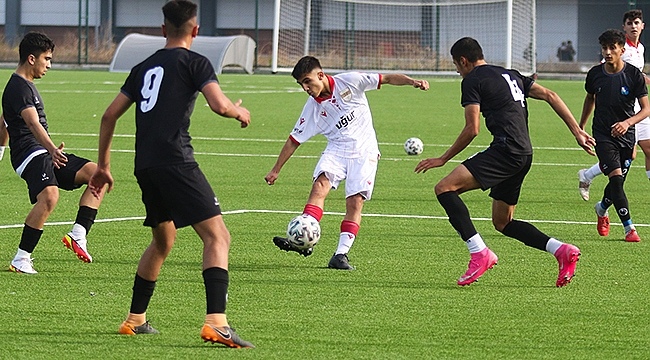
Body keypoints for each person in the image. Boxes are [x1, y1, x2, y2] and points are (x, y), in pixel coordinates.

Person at [88, 0, 254, 349]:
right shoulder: (195, 62)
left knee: (163, 241)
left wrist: (103, 166)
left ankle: (135, 320)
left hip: (145, 166)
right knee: (217, 236)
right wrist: (239, 112)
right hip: (176, 161)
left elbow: (107, 116)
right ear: (195, 30)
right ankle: (217, 323)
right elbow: (219, 104)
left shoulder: (142, 66)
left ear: (163, 29)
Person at [414, 37, 595, 287]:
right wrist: (577, 131)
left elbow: (472, 128)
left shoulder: (472, 80)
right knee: (503, 222)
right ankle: (561, 250)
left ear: (464, 61)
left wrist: (443, 158)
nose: (457, 71)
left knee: (445, 188)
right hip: (524, 154)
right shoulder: (510, 74)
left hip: (505, 151)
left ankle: (479, 253)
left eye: (456, 65)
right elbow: (551, 95)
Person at [265, 55, 429, 270]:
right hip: (336, 149)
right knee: (319, 186)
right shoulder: (312, 108)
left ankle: (340, 254)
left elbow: (387, 78)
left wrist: (412, 82)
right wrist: (276, 169)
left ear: (321, 75)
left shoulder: (350, 81)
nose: (305, 87)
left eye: (307, 81)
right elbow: (294, 140)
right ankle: (302, 239)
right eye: (301, 84)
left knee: (354, 202)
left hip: (364, 151)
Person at [0, 32, 104, 274]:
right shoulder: (18, 88)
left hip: (43, 152)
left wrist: (1, 147)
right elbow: (33, 123)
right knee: (50, 196)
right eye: (47, 59)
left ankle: (78, 234)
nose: (49, 64)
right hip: (30, 155)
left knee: (96, 175)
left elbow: (5, 118)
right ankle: (21, 258)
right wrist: (51, 149)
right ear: (31, 59)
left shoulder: (24, 86)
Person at [579, 29, 649, 243]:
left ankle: (601, 209)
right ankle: (629, 229)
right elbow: (590, 98)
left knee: (616, 185)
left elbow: (646, 109)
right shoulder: (595, 74)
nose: (608, 52)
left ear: (621, 49)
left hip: (627, 135)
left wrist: (627, 123)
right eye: (604, 48)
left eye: (612, 48)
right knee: (616, 181)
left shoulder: (634, 75)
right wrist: (580, 127)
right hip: (603, 134)